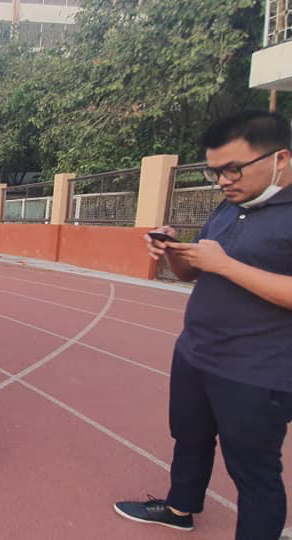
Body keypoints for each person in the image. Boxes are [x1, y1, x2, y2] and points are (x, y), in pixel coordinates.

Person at [114, 111, 292, 539]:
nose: (224, 181)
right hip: (196, 352)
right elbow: (195, 272)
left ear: (280, 158)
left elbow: (223, 266)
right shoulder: (231, 207)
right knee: (189, 438)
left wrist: (225, 264)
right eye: (215, 172)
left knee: (254, 471)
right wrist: (174, 251)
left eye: (233, 169)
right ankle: (179, 509)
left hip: (256, 370)